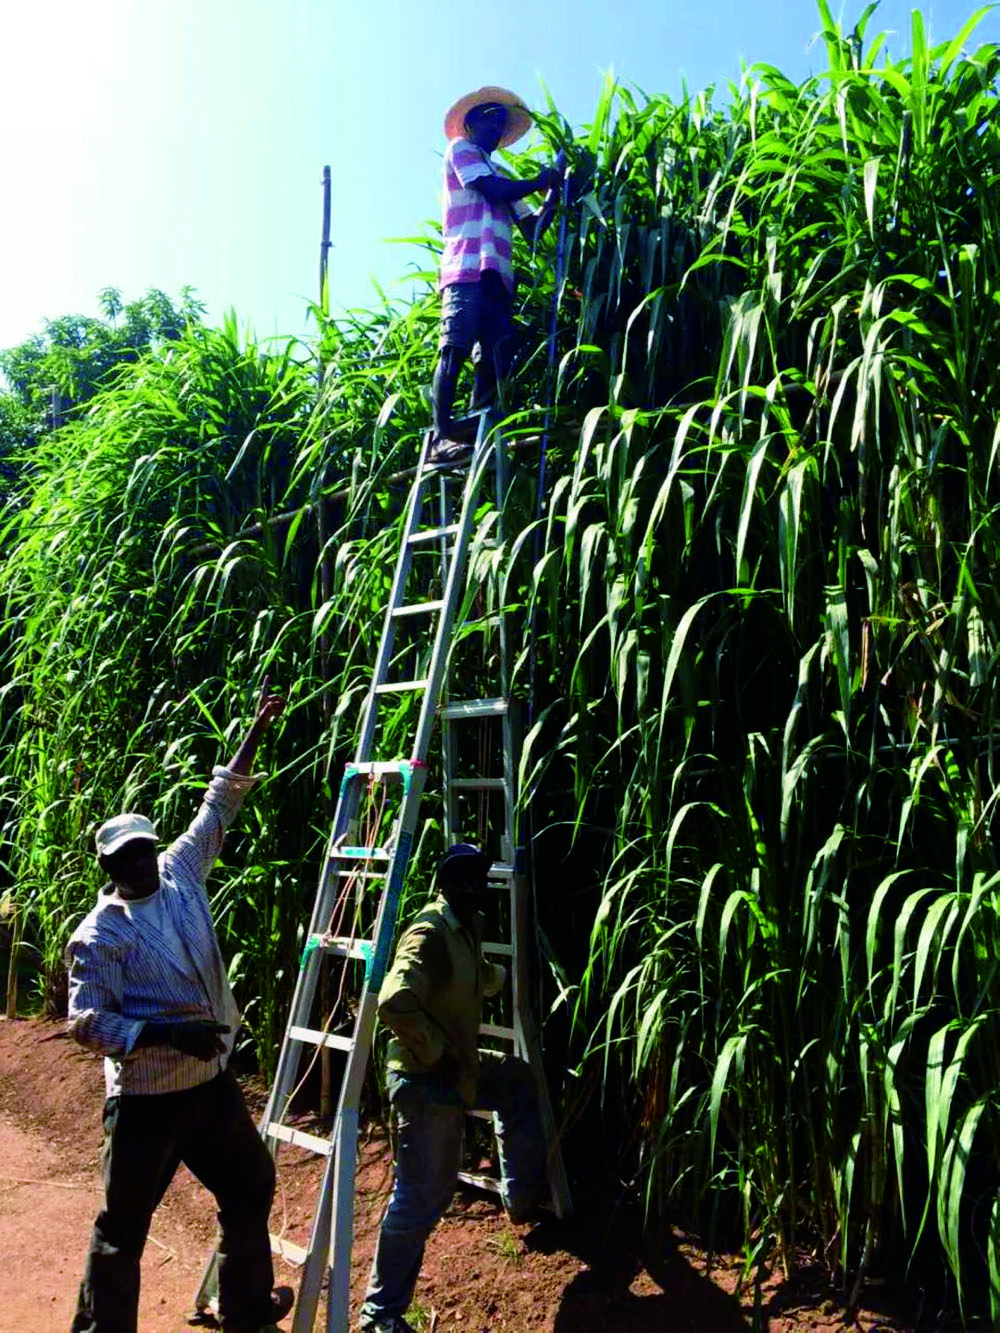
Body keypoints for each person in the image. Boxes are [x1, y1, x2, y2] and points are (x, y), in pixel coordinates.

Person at [65, 687, 293, 1333]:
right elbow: (85, 1021)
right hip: (147, 1100)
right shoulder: (101, 933)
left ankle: (245, 1306)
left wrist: (256, 725)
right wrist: (163, 1032)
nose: (140, 860)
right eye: (125, 856)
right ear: (107, 865)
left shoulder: (180, 874)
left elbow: (220, 800)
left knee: (250, 1187)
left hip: (210, 1085)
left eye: (144, 847)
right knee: (123, 1227)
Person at [359, 843, 549, 1333]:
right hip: (425, 1080)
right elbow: (396, 999)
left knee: (514, 1082)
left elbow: (474, 978)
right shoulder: (431, 932)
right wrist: (438, 1055)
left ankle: (520, 1198)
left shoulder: (466, 929)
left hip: (456, 1069)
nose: (475, 888)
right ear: (450, 886)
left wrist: (510, 977)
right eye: (466, 881)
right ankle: (381, 1316)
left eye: (479, 880)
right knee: (421, 1197)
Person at [429, 86, 563, 464]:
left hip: (497, 276)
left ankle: (475, 426)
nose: (497, 127)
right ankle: (442, 434)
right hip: (466, 267)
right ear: (472, 123)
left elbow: (532, 228)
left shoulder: (501, 173)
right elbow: (487, 190)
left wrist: (553, 192)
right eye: (492, 118)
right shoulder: (462, 152)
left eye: (501, 122)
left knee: (493, 355)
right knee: (454, 347)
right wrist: (540, 181)